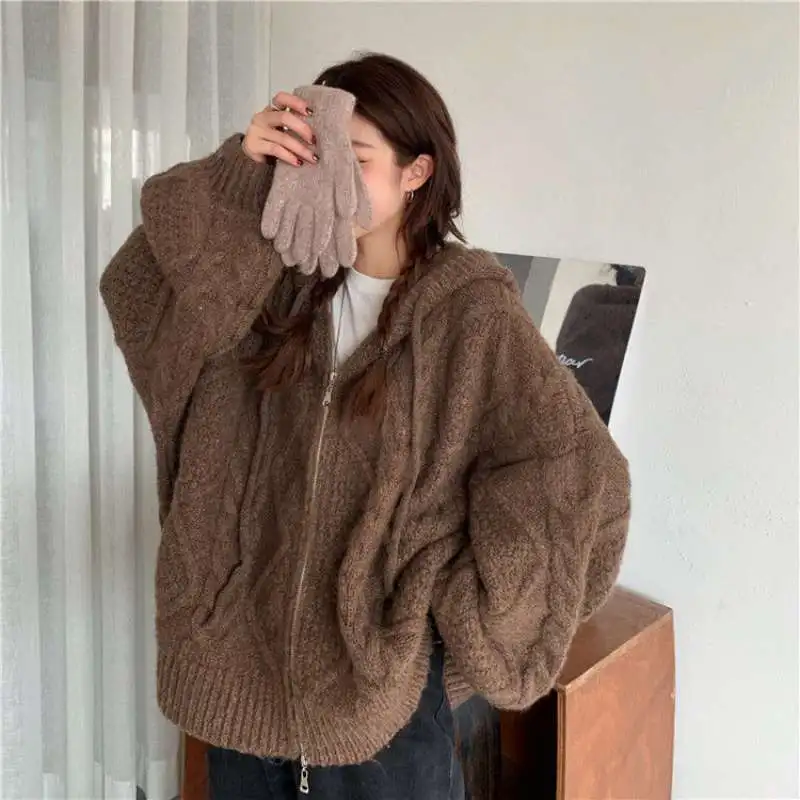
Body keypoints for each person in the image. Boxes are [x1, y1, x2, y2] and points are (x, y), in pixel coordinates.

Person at [100, 53, 631, 800]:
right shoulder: (270, 283)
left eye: (356, 159)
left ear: (417, 172)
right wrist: (239, 177)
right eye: (319, 157)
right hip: (238, 685)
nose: (333, 180)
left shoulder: (470, 313)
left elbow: (573, 471)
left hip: (384, 714)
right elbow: (138, 294)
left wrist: (456, 611)